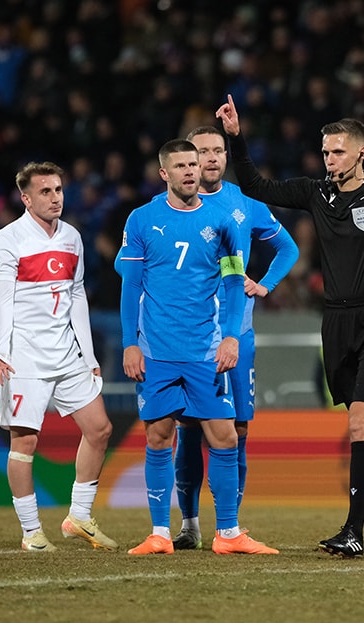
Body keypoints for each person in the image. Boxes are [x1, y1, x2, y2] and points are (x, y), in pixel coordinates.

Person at [216, 91, 364, 558]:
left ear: (360, 152)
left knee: (359, 421)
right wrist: (237, 140)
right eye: (326, 152)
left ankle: (353, 530)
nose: (330, 159)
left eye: (338, 151)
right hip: (337, 321)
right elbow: (257, 187)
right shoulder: (317, 194)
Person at [115, 139, 277, 556]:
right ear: (163, 174)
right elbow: (130, 286)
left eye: (194, 163)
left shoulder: (223, 221)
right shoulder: (141, 220)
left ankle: (228, 533)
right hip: (157, 350)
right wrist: (130, 344)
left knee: (224, 437)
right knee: (158, 436)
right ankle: (159, 534)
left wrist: (228, 336)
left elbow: (232, 283)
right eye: (181, 165)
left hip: (205, 349)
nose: (191, 170)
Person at [169, 126, 300, 551]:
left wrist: (264, 284)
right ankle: (189, 523)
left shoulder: (246, 204)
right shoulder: (170, 207)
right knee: (189, 427)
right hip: (189, 337)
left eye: (218, 150)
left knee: (238, 428)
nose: (210, 158)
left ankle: (231, 524)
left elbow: (289, 249)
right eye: (201, 151)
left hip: (237, 335)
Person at [0, 161, 116, 552]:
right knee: (24, 444)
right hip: (24, 357)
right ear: (26, 198)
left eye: (58, 190)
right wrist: (1, 351)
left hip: (66, 354)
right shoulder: (7, 241)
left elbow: (76, 296)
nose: (55, 197)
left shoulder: (72, 237)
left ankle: (79, 516)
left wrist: (88, 354)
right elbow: (2, 302)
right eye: (45, 191)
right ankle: (31, 532)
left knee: (100, 429)